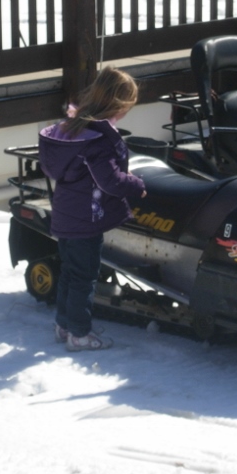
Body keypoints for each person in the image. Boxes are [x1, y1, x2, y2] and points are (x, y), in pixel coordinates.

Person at [38, 67, 147, 352]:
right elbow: (109, 181)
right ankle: (79, 334)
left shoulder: (74, 127)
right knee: (84, 278)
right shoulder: (97, 140)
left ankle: (64, 325)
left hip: (66, 213)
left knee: (70, 274)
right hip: (87, 218)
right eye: (126, 108)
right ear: (117, 105)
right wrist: (136, 185)